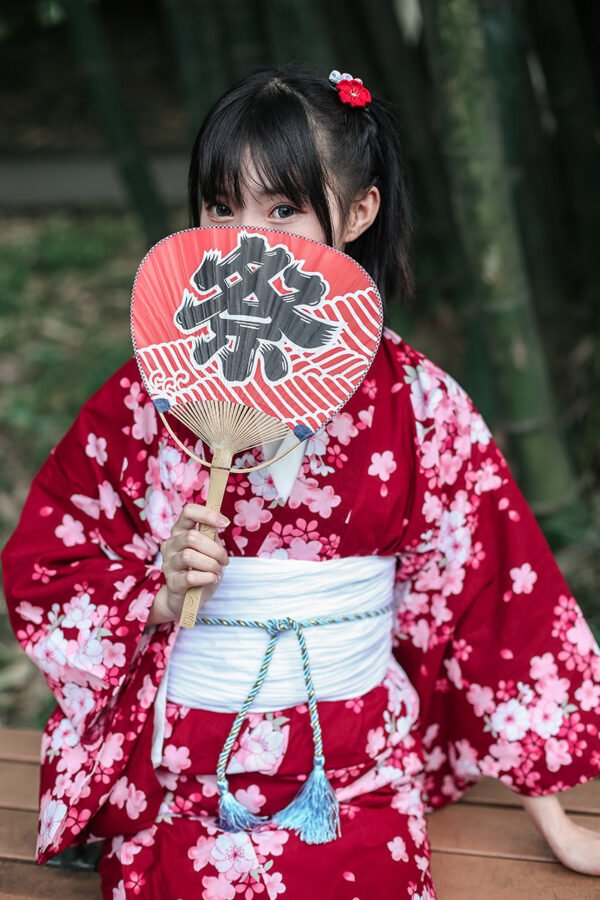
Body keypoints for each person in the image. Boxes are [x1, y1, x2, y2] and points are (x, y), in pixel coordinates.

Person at [2, 65, 600, 900]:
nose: (247, 240)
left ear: (359, 212)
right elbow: (51, 560)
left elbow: (492, 596)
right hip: (186, 776)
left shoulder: (418, 403)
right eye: (222, 207)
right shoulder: (150, 396)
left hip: (353, 775)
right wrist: (156, 595)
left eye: (283, 209)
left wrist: (554, 817)